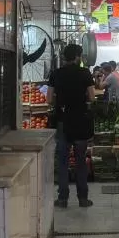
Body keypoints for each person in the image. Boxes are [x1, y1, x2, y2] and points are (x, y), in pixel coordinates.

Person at [47, 44, 96, 208]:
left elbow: (48, 99)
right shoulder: (84, 73)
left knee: (62, 161)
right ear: (77, 56)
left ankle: (62, 198)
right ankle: (83, 198)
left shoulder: (56, 73)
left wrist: (60, 102)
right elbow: (92, 96)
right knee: (81, 161)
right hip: (80, 121)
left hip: (63, 121)